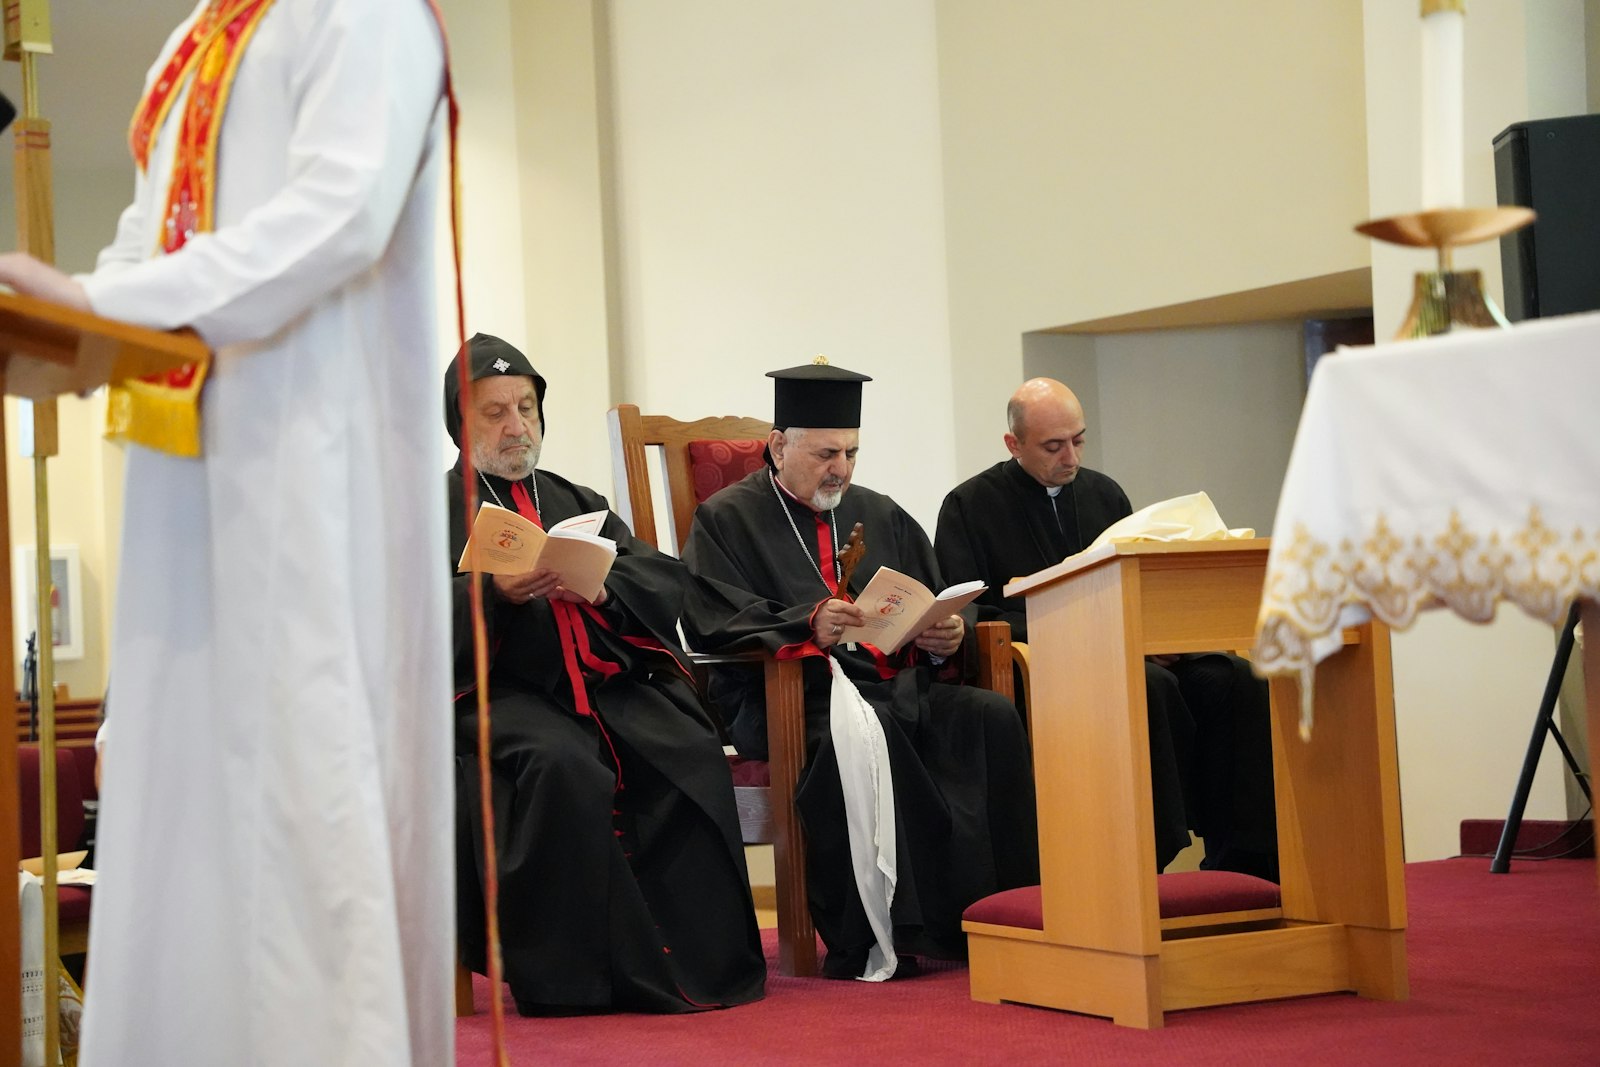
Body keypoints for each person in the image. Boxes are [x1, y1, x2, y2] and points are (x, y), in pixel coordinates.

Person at [0, 3, 455, 1061]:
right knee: (176, 791)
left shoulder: (364, 11)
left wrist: (119, 299)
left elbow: (343, 209)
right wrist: (84, 311)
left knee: (291, 778)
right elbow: (152, 226)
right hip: (181, 461)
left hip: (299, 456)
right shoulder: (200, 29)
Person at [682, 360, 1040, 981]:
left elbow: (929, 597)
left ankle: (1002, 915)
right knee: (872, 729)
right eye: (825, 453)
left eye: (850, 452)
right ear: (777, 446)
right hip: (791, 698)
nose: (841, 469)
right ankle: (899, 927)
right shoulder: (726, 519)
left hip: (892, 685)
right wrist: (805, 625)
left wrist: (942, 636)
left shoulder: (881, 512)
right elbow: (709, 620)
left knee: (989, 715)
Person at [446, 333, 766, 1015]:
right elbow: (399, 618)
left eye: (526, 408)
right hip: (503, 695)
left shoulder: (574, 496)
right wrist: (491, 595)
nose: (516, 426)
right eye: (494, 412)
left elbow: (660, 577)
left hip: (601, 685)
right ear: (460, 422)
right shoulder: (432, 510)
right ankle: (576, 977)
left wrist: (599, 588)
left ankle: (702, 958)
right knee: (565, 766)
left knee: (687, 744)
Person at [935, 377, 1278, 879]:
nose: (1070, 458)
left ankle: (1243, 858)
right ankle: (1147, 856)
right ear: (1013, 444)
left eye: (1078, 440)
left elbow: (1137, 573)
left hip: (1129, 643)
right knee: (1148, 684)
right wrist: (1086, 630)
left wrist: (1155, 628)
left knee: (1236, 679)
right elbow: (972, 613)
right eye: (1053, 446)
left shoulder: (1103, 493)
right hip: (1047, 660)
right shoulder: (969, 505)